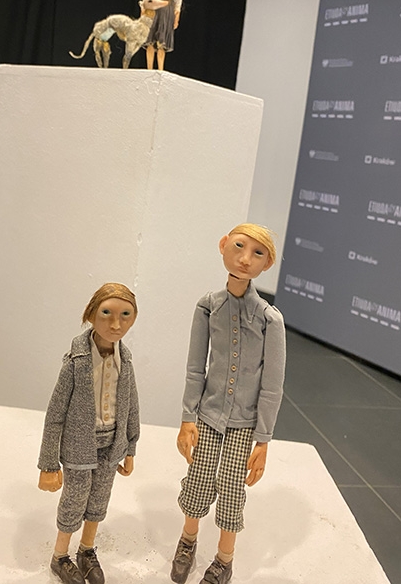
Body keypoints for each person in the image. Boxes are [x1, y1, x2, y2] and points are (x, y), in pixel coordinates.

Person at [171, 224, 286, 584]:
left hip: (244, 423)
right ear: (223, 245)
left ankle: (224, 559)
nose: (245, 259)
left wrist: (263, 440)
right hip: (208, 416)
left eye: (257, 253)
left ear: (267, 264)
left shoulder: (270, 320)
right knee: (198, 479)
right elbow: (195, 367)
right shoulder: (208, 306)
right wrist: (188, 417)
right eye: (238, 246)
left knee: (233, 489)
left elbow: (272, 385)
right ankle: (188, 540)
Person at [38, 283, 140, 584]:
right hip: (78, 446)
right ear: (91, 315)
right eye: (107, 313)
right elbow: (55, 415)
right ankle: (60, 555)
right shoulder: (76, 362)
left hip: (111, 445)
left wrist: (130, 447)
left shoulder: (126, 361)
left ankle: (87, 549)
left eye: (125, 315)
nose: (116, 324)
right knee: (75, 498)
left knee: (99, 499)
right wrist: (48, 464)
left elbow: (131, 406)